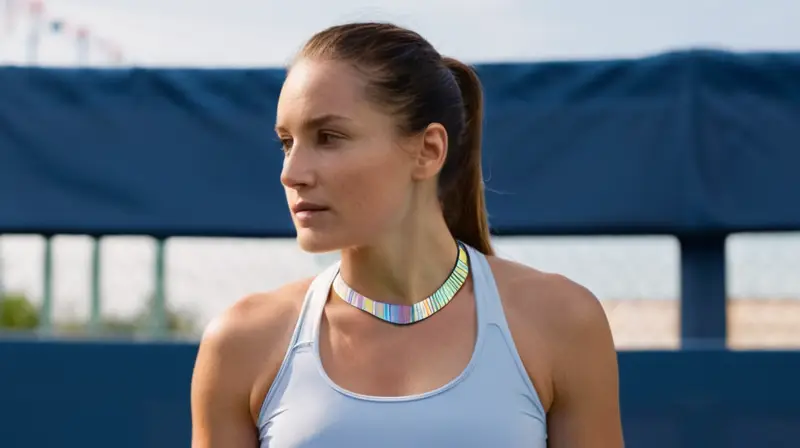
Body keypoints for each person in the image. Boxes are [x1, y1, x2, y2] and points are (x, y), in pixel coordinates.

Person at [191, 22, 624, 448]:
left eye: (329, 137)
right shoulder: (240, 343)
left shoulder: (562, 322)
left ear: (429, 150)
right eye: (287, 142)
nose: (291, 173)